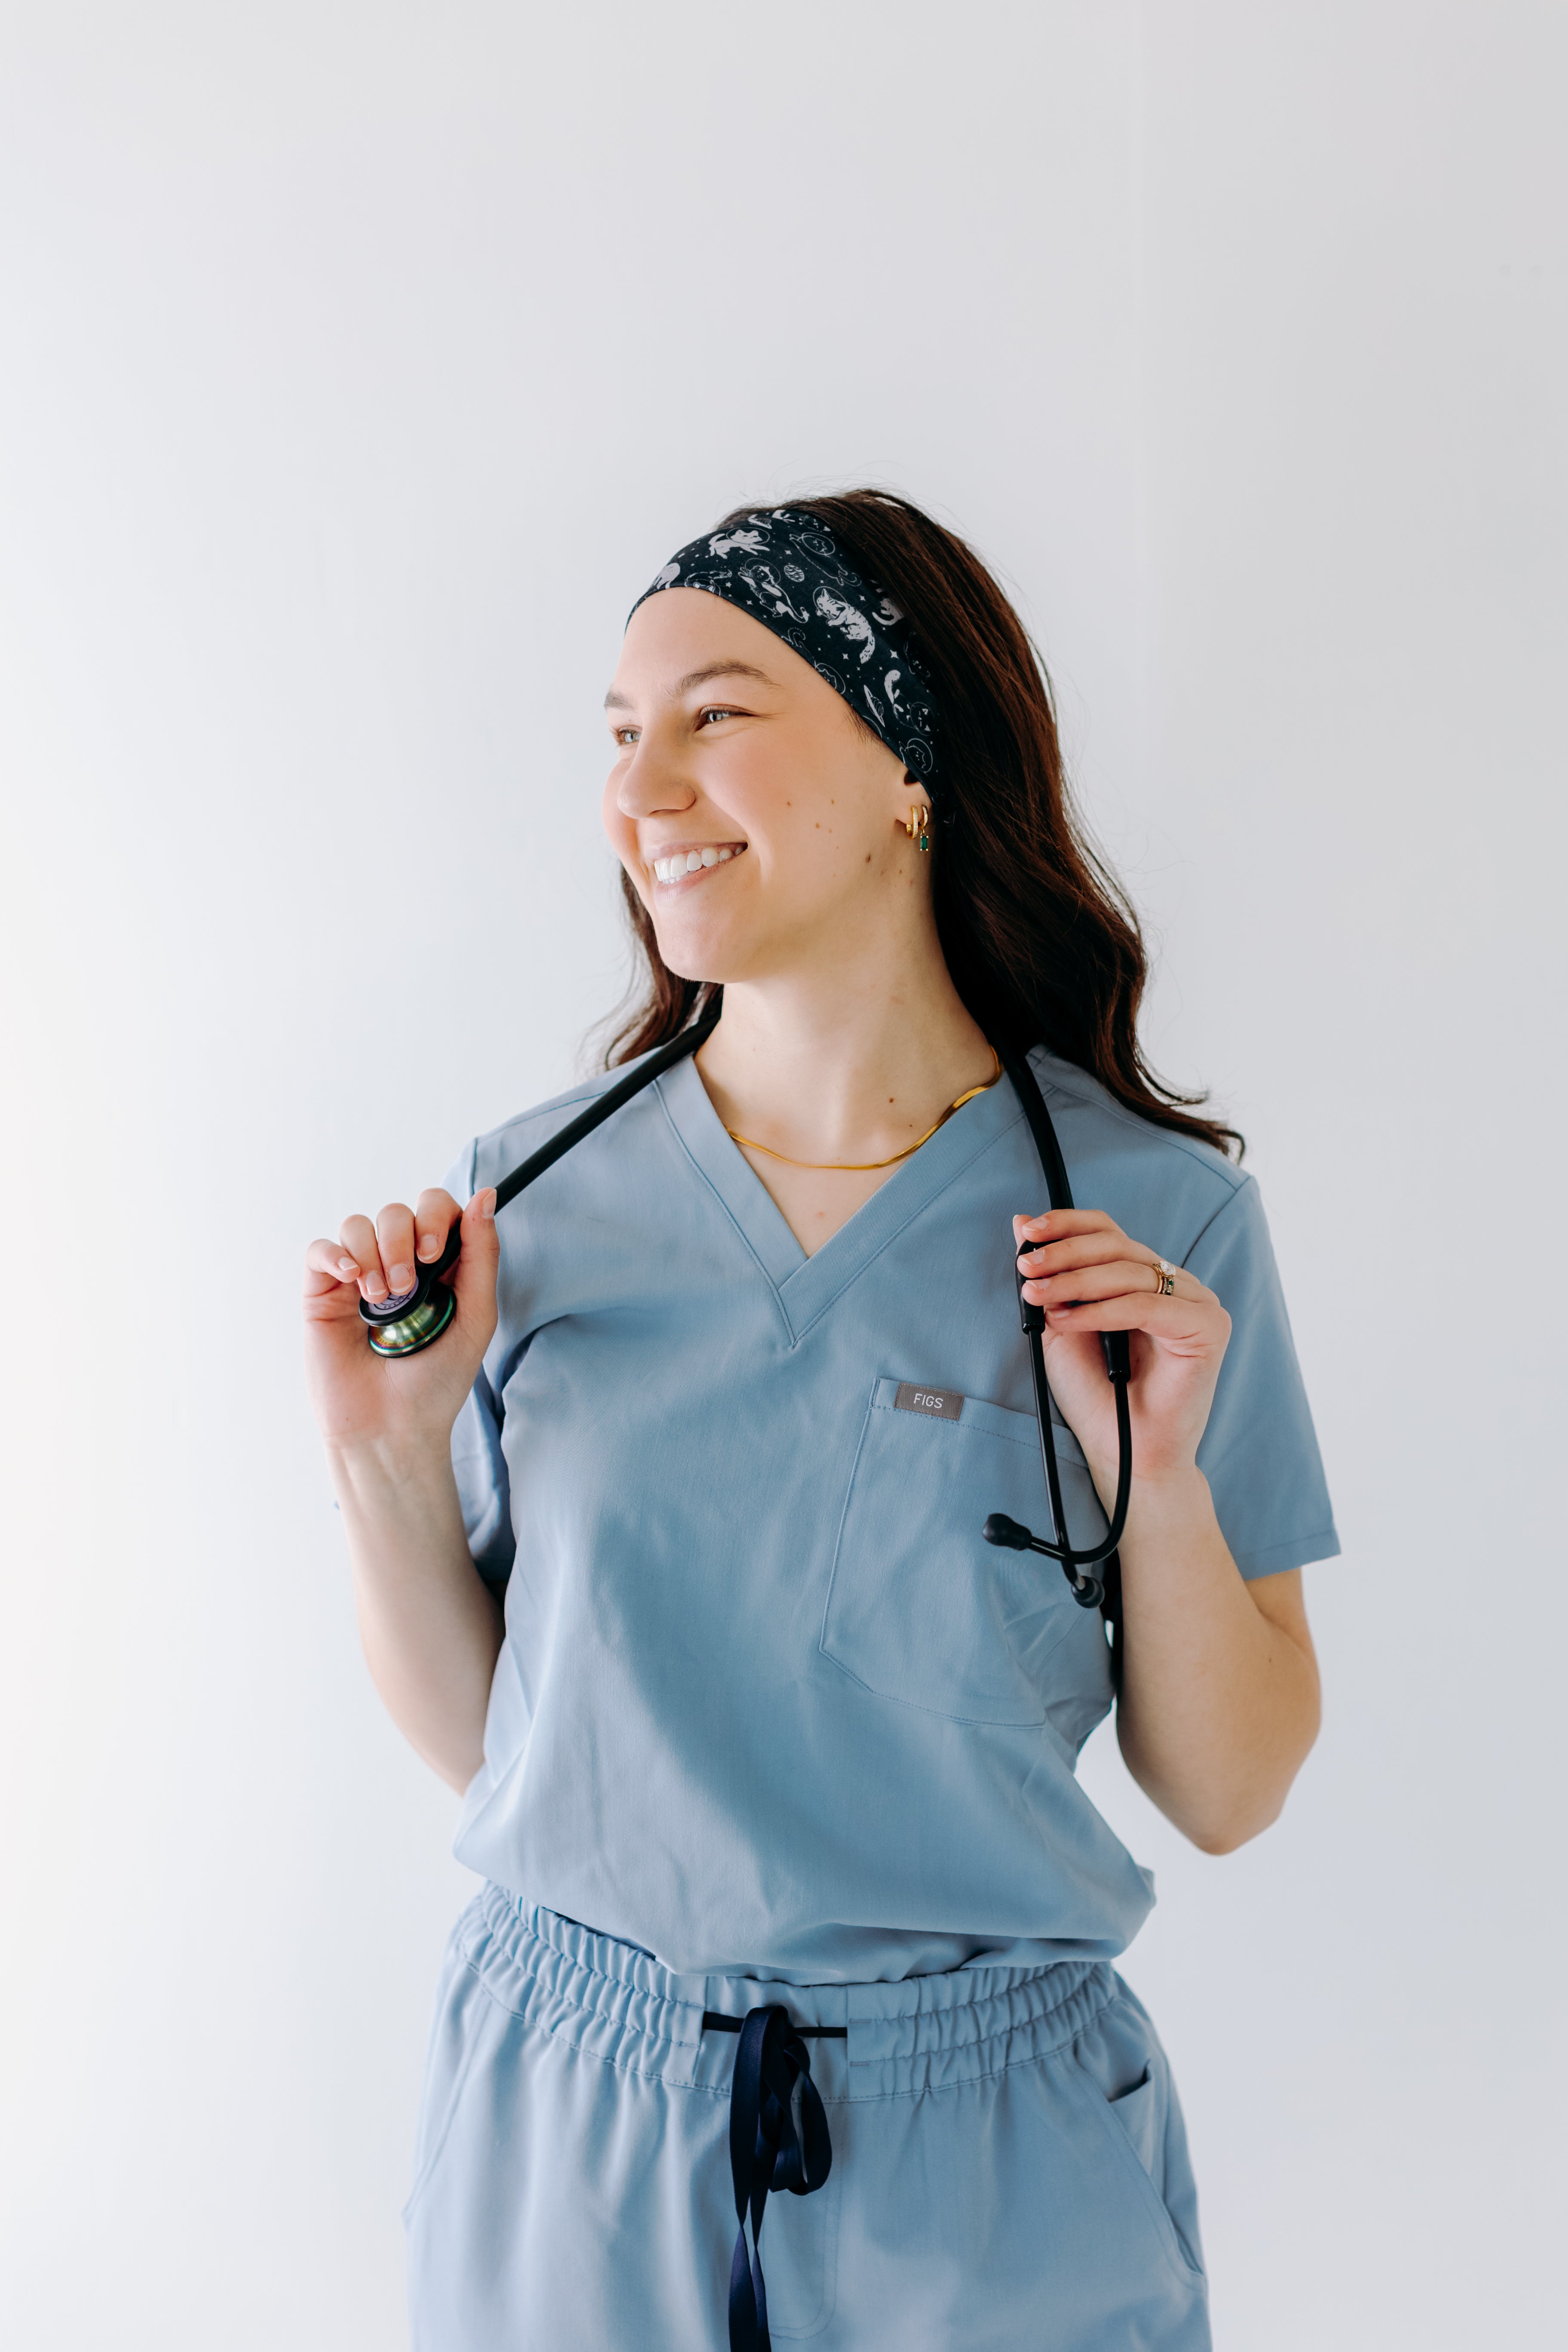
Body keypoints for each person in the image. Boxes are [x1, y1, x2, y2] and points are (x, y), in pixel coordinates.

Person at [303, 493, 1336, 2351]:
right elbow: (501, 1760)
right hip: (576, 2126)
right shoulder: (523, 1210)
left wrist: (1159, 1488)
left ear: (907, 759)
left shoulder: (1150, 1235)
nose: (645, 791)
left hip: (988, 2171)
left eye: (716, 714)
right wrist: (388, 1457)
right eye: (619, 739)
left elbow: (1233, 1787)